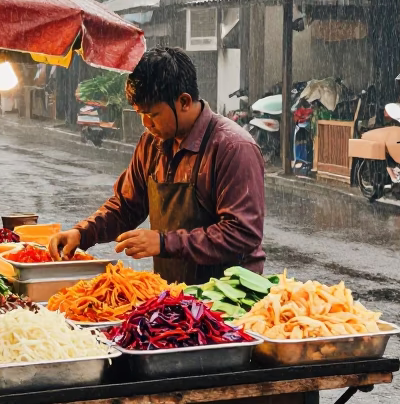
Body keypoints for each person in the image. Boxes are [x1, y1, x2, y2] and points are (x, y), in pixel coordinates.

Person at [49, 47, 266, 283]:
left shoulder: (233, 147)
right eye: (140, 114)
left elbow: (242, 234)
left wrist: (164, 242)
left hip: (229, 296)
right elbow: (126, 206)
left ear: (183, 101)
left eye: (152, 115)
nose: (145, 124)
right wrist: (82, 233)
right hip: (174, 295)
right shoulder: (152, 143)